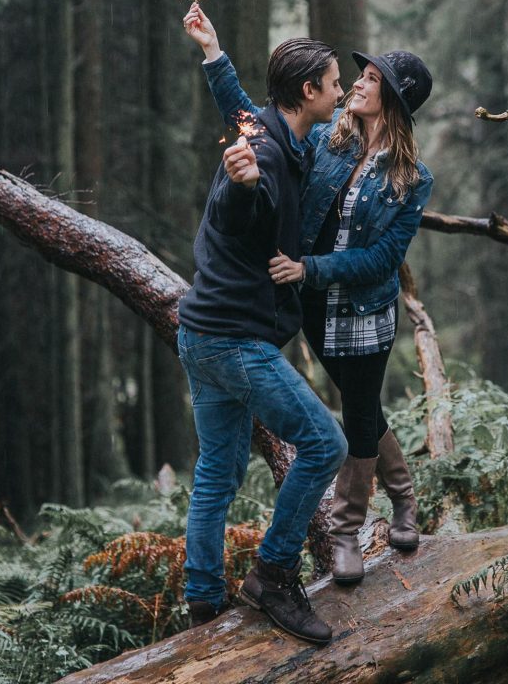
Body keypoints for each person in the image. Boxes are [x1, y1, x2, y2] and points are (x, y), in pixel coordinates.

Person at [184, 3, 433, 586]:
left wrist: (308, 268)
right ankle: (404, 496)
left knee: (357, 415)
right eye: (354, 77)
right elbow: (254, 121)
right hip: (314, 308)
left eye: (370, 80)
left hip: (363, 311)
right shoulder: (325, 139)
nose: (355, 86)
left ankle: (346, 531)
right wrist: (214, 55)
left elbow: (384, 259)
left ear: (394, 101)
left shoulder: (412, 178)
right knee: (363, 411)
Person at [177, 35, 348, 644]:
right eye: (334, 84)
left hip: (200, 335)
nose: (341, 92)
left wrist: (214, 53)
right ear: (309, 91)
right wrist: (244, 185)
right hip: (234, 341)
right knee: (325, 444)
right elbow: (238, 214)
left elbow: (237, 104)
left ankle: (202, 606)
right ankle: (273, 577)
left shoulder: (273, 128)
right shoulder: (265, 154)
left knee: (217, 475)